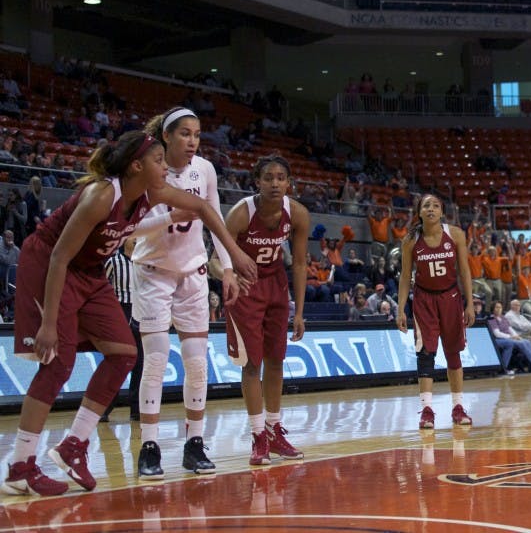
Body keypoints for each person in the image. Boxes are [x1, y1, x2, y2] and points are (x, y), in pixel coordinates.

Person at [1, 131, 256, 497]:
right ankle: (19, 465)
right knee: (58, 363)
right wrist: (47, 323)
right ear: (136, 166)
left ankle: (74, 446)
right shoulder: (101, 195)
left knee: (124, 353)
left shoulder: (149, 193)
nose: (166, 167)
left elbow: (201, 208)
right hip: (50, 264)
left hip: (89, 271)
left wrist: (234, 254)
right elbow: (58, 257)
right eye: (158, 161)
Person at [130, 107, 241, 480]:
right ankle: (149, 446)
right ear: (166, 136)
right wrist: (169, 217)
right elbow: (131, 230)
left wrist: (226, 267)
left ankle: (195, 444)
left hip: (193, 275)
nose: (192, 141)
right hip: (153, 273)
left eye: (196, 134)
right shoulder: (145, 169)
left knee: (196, 364)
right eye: (184, 134)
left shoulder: (205, 170)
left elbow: (216, 219)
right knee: (157, 362)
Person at [217, 156, 308, 466]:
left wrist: (299, 311)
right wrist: (229, 276)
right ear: (256, 181)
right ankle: (257, 435)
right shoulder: (241, 214)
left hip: (277, 285)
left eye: (281, 177)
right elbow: (215, 259)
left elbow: (299, 262)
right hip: (246, 289)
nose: (274, 183)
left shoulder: (297, 214)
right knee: (252, 364)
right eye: (268, 177)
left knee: (277, 360)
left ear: (288, 182)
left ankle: (274, 429)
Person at [395, 194, 476, 430]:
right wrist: (400, 309)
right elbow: (404, 276)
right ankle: (427, 409)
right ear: (419, 212)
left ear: (442, 212)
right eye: (426, 205)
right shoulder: (411, 240)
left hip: (451, 297)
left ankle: (458, 407)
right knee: (425, 353)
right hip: (423, 300)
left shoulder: (455, 234)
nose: (431, 209)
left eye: (436, 206)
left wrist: (469, 303)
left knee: (453, 352)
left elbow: (464, 271)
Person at [101, 237, 141, 422]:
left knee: (140, 364)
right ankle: (105, 408)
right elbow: (101, 285)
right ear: (125, 241)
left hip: (139, 310)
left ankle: (136, 409)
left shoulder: (143, 261)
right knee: (119, 362)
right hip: (120, 310)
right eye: (132, 238)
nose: (136, 240)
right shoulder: (113, 262)